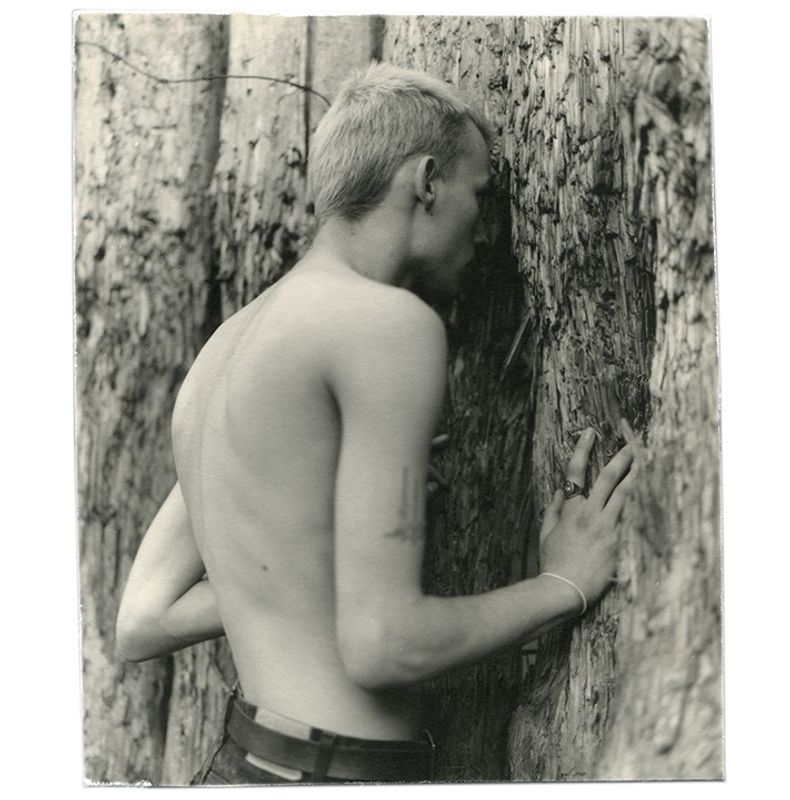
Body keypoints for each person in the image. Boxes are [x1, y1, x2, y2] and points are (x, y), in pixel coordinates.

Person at [116, 62, 635, 785]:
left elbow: (142, 619)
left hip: (245, 762)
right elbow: (385, 646)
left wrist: (315, 544)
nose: (484, 231)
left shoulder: (228, 346)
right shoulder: (387, 324)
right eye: (478, 196)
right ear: (426, 181)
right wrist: (563, 582)